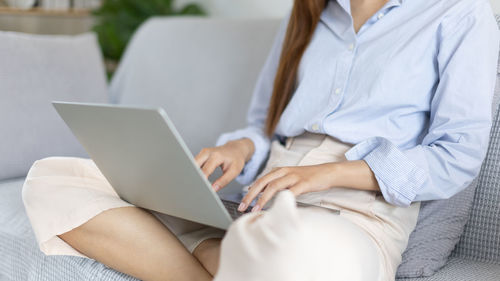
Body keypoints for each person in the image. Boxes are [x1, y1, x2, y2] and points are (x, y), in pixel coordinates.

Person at [22, 0, 499, 280]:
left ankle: (213, 252)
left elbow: (456, 158)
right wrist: (240, 149)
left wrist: (327, 173)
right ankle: (232, 256)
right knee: (52, 179)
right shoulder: (311, 13)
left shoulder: (461, 14)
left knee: (297, 252)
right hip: (260, 198)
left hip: (356, 214)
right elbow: (262, 125)